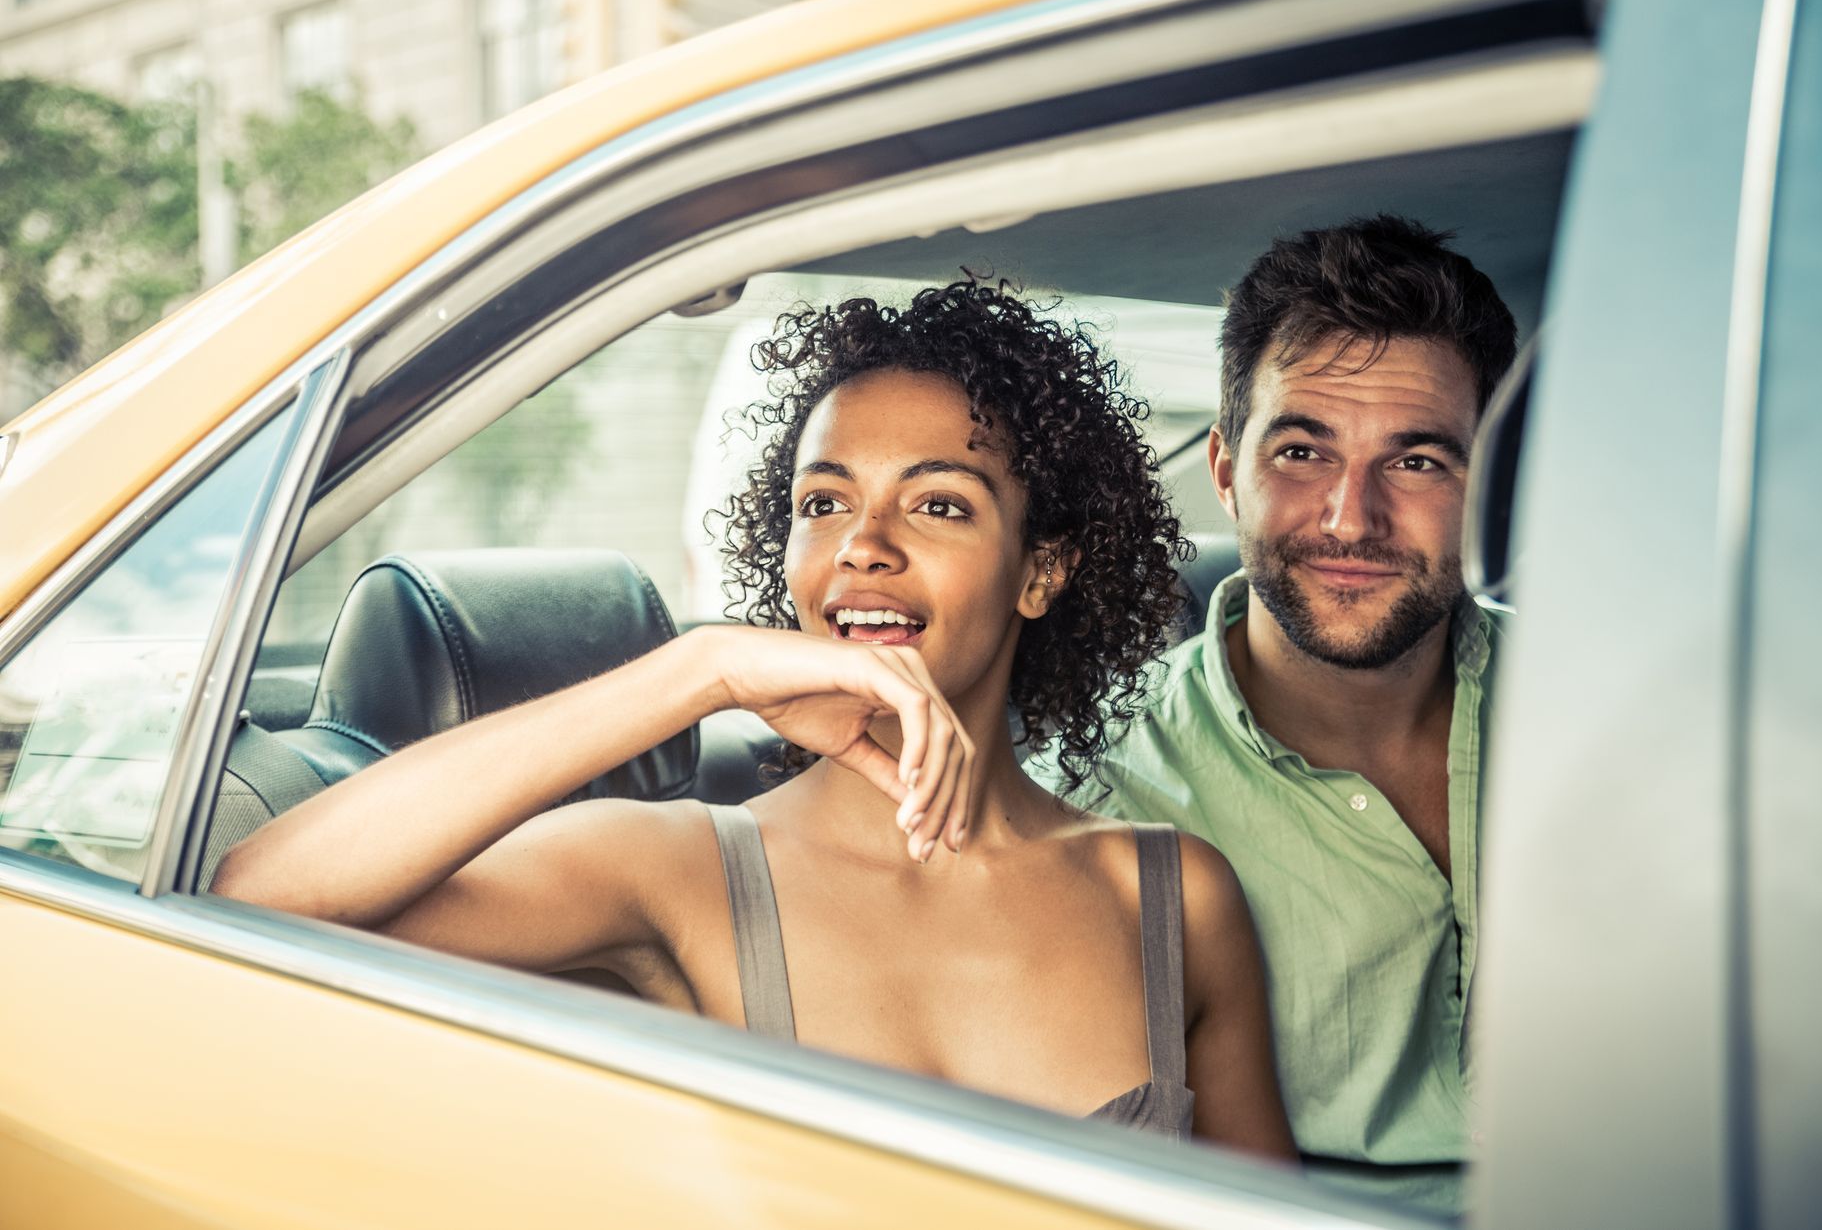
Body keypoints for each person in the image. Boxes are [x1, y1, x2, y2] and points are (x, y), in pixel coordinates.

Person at [213, 279, 1296, 1159]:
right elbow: (259, 896)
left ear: (1041, 570)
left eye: (938, 503)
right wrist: (701, 669)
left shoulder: (1169, 895)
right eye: (823, 503)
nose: (863, 545)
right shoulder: (679, 869)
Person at [1030, 216, 1516, 1212]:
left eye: (1419, 462)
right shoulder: (1091, 805)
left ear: (1491, 484)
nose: (1350, 518)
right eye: (1301, 451)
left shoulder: (1620, 700)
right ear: (1224, 472)